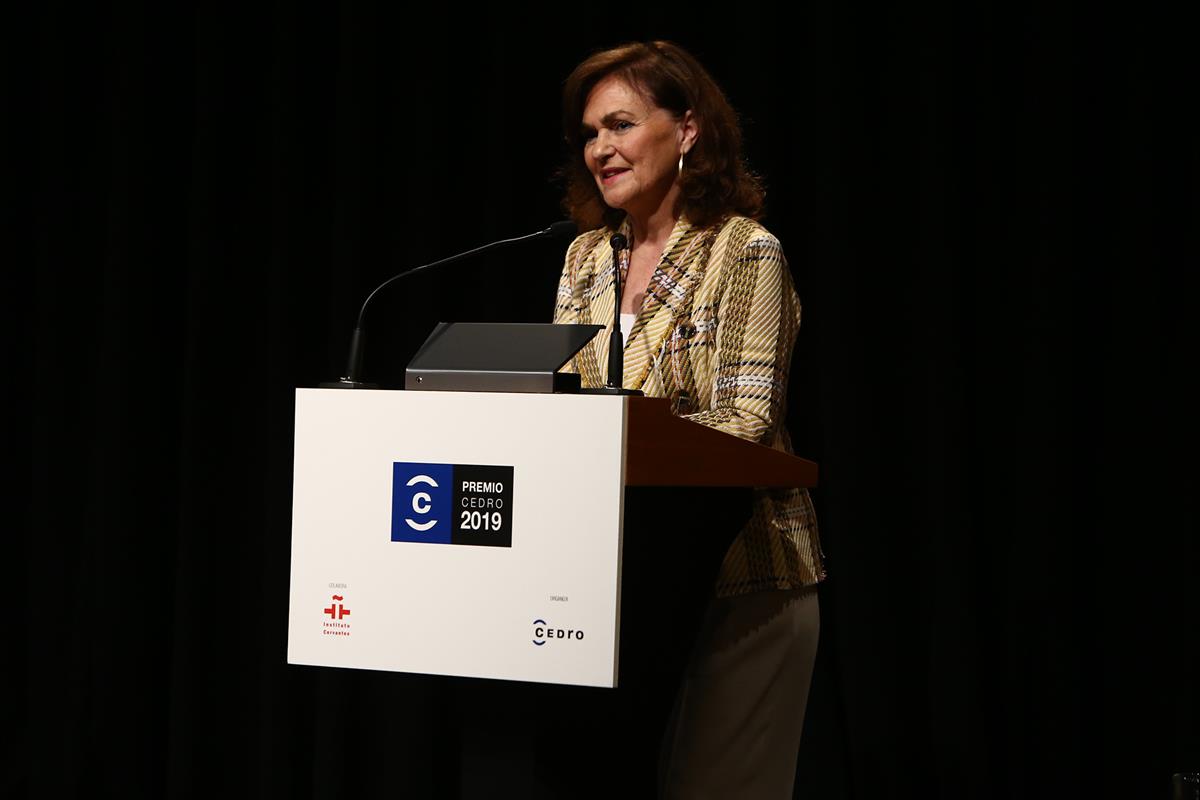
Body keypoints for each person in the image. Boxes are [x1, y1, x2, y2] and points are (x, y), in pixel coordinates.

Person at [551, 41, 827, 798]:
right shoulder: (584, 259)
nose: (600, 148)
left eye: (620, 124)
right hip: (614, 588)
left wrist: (627, 434)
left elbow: (745, 422)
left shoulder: (744, 253)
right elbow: (567, 421)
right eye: (589, 133)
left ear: (689, 130)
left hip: (743, 580)